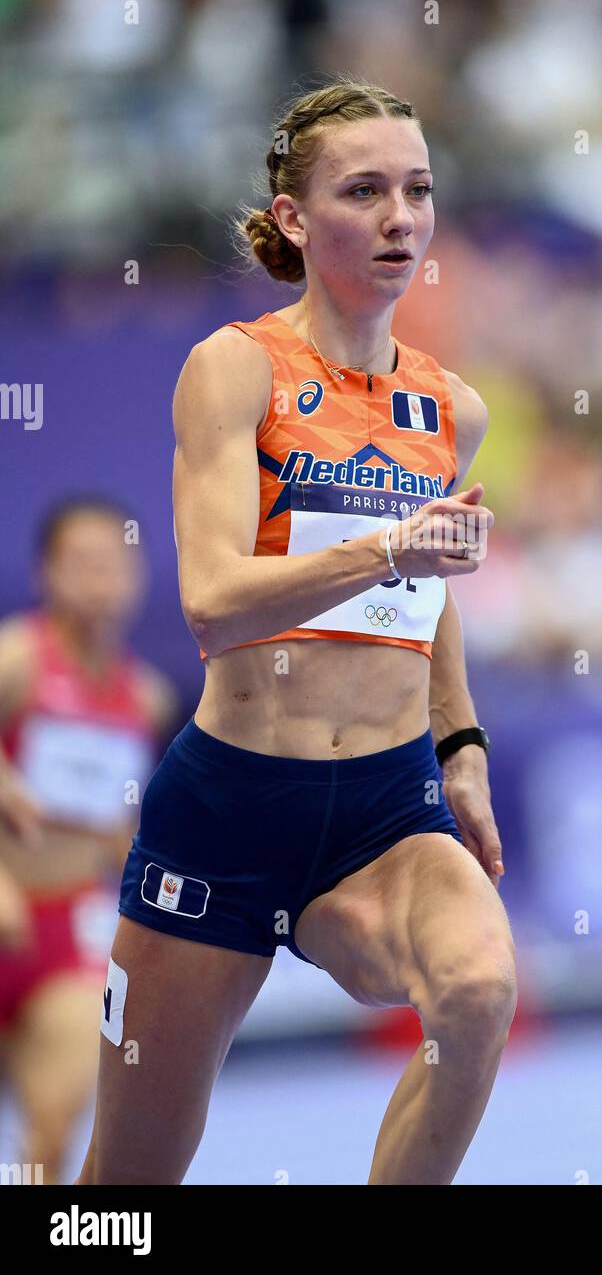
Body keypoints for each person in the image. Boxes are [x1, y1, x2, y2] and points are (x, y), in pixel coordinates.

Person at [75, 79, 517, 1187]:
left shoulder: (449, 407)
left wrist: (458, 744)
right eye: (362, 191)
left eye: (415, 190)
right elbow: (215, 605)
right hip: (226, 812)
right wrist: (384, 550)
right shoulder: (235, 369)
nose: (398, 218)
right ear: (292, 218)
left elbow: (435, 583)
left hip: (383, 808)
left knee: (475, 990)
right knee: (125, 1192)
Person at [0, 496, 177, 1183]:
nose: (99, 581)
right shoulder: (17, 658)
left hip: (64, 932)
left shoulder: (148, 697)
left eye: (114, 564)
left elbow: (117, 827)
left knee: (53, 1123)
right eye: (80, 564)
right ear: (46, 573)